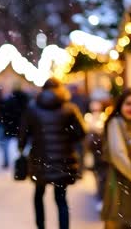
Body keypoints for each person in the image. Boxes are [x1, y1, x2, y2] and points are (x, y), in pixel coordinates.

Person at [18, 78, 86, 229]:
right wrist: (66, 139)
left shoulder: (32, 108)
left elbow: (23, 133)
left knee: (38, 194)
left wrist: (21, 148)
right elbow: (82, 132)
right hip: (63, 159)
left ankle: (41, 226)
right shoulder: (70, 108)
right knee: (61, 199)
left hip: (39, 158)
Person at [101, 88, 131, 229]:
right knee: (120, 221)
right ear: (121, 104)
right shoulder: (116, 123)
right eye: (128, 103)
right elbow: (118, 156)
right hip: (120, 181)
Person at [0, 83, 30, 168]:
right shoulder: (26, 100)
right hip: (23, 127)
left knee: (5, 145)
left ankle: (6, 162)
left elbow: (4, 114)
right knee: (24, 145)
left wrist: (5, 123)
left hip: (10, 126)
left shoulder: (9, 100)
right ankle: (24, 161)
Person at [84, 101, 108, 208]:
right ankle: (99, 193)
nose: (96, 111)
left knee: (102, 173)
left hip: (102, 149)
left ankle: (102, 195)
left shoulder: (104, 118)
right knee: (97, 171)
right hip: (93, 149)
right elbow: (86, 131)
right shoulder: (88, 118)